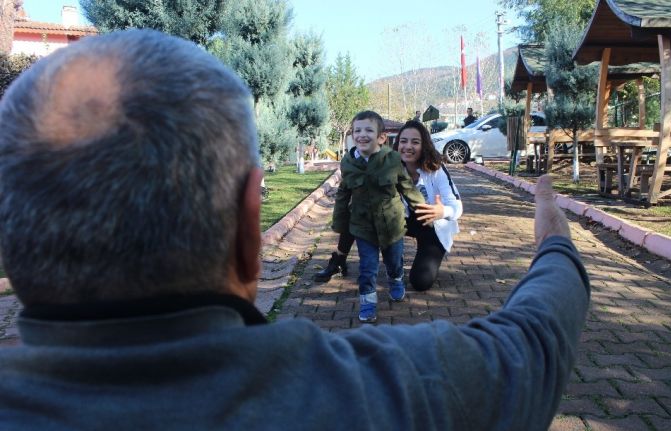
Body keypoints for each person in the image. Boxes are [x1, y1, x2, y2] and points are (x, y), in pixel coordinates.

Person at [0, 30, 591, 431]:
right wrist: (555, 241)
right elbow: (536, 340)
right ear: (250, 223)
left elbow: (419, 198)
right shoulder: (381, 394)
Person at [332, 110, 425, 323]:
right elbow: (343, 194)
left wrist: (421, 208)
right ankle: (367, 302)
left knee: (394, 261)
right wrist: (339, 223)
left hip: (392, 224)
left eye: (368, 130)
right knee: (367, 267)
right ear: (352, 135)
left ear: (381, 137)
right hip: (363, 226)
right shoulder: (348, 163)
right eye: (357, 130)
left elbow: (406, 186)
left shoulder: (392, 160)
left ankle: (396, 279)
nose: (362, 135)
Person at [394, 120, 463, 291]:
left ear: (424, 145)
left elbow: (457, 206)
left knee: (421, 282)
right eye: (403, 141)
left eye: (415, 142)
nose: (408, 146)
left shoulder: (436, 169)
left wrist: (442, 211)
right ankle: (340, 259)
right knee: (359, 212)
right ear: (397, 144)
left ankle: (427, 253)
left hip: (432, 225)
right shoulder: (390, 167)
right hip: (404, 220)